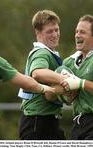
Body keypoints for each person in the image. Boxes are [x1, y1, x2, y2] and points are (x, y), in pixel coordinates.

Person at [18, 10, 68, 140]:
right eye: (49, 31)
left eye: (56, 30)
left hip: (45, 121)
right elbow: (37, 73)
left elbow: (50, 95)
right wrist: (66, 79)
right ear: (38, 33)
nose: (55, 34)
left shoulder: (49, 53)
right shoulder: (42, 53)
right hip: (37, 122)